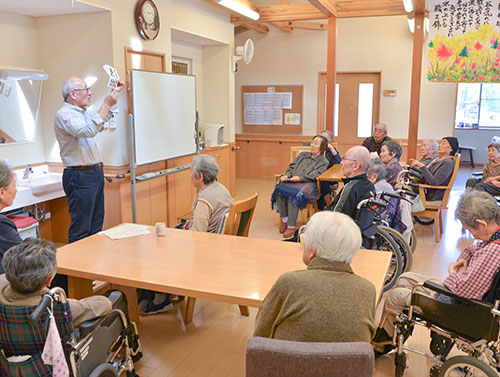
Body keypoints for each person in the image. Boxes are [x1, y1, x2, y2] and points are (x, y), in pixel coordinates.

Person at [373, 191, 500, 355]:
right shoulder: (493, 237)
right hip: (462, 299)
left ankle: (383, 343)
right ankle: (394, 331)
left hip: (459, 307)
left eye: (469, 229)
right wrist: (462, 264)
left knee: (395, 296)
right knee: (405, 278)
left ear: (481, 224)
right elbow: (471, 249)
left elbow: (461, 288)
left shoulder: (493, 251)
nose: (471, 235)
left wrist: (452, 271)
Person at [254, 211, 376, 342]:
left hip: (289, 361)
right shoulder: (368, 290)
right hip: (348, 362)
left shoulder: (288, 283)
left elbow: (261, 334)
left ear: (312, 249)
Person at [54, 77, 124, 244]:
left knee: (95, 226)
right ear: (73, 93)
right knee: (81, 228)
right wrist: (106, 104)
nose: (90, 93)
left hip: (94, 173)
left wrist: (113, 97)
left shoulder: (82, 113)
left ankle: (91, 266)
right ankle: (75, 269)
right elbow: (87, 130)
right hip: (80, 176)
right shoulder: (64, 115)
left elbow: (98, 124)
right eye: (86, 89)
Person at [0, 238, 112, 327]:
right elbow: (105, 304)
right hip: (51, 353)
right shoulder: (60, 308)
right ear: (49, 280)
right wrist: (63, 299)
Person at [271, 135, 328, 238]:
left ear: (322, 148)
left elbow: (314, 175)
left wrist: (300, 178)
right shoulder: (303, 155)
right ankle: (285, 220)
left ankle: (291, 226)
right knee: (279, 190)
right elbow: (292, 166)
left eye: (316, 143)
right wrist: (287, 175)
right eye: (312, 142)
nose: (312, 145)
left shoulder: (323, 162)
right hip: (293, 180)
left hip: (308, 184)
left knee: (295, 196)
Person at [183, 154, 233, 233]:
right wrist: (194, 221)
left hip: (209, 241)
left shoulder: (204, 200)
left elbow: (198, 233)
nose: (190, 175)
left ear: (200, 176)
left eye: (191, 171)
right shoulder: (222, 189)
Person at [326, 146, 375, 219]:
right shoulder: (369, 185)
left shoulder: (350, 188)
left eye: (344, 159)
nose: (341, 163)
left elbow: (336, 216)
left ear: (355, 165)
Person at [408, 137, 458, 201]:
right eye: (440, 143)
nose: (439, 145)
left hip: (430, 195)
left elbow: (434, 182)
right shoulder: (438, 160)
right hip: (424, 190)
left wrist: (422, 167)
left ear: (451, 148)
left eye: (443, 144)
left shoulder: (448, 163)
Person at [0, 161, 22, 274]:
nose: (16, 190)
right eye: (14, 185)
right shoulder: (2, 225)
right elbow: (22, 256)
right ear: (2, 192)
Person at [317, 130, 341, 210]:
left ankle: (328, 204)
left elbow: (339, 162)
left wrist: (332, 149)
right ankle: (328, 206)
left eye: (325, 139)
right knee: (320, 180)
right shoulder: (316, 149)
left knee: (324, 180)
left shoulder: (331, 150)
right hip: (317, 175)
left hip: (330, 176)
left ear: (330, 140)